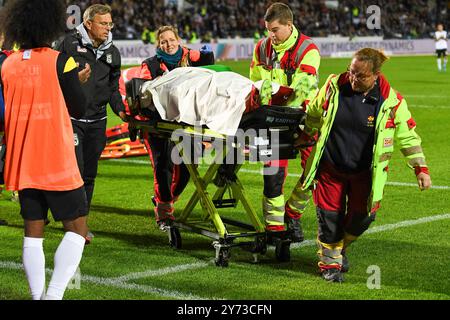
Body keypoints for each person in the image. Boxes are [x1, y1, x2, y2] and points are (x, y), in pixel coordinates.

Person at [293, 48, 432, 282]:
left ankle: (338, 250)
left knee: (362, 218)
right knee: (329, 218)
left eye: (361, 76)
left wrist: (421, 168)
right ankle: (330, 266)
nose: (353, 79)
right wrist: (306, 132)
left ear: (376, 75)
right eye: (351, 72)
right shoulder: (333, 86)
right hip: (331, 168)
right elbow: (314, 111)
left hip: (365, 174)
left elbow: (408, 137)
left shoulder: (392, 102)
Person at [0, 0, 88, 299]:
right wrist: (77, 81)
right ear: (50, 22)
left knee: (32, 234)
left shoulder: (8, 64)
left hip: (23, 161)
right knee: (77, 229)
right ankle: (53, 296)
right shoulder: (61, 60)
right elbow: (80, 106)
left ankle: (38, 296)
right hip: (57, 158)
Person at [249, 2, 320, 238]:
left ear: (289, 25)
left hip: (305, 118)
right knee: (273, 175)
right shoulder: (261, 48)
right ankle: (275, 228)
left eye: (275, 30)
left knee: (314, 172)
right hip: (273, 120)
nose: (271, 35)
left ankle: (293, 213)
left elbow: (302, 92)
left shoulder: (307, 50)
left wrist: (288, 120)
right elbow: (255, 84)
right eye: (268, 30)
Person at [57, 4, 127, 240]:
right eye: (103, 23)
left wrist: (121, 110)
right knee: (74, 172)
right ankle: (73, 225)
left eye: (110, 24)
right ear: (88, 24)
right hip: (72, 118)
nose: (108, 28)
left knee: (89, 174)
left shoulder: (113, 53)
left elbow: (113, 89)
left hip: (98, 121)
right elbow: (54, 79)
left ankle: (81, 224)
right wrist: (73, 81)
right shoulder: (68, 44)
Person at [137, 25, 214, 228]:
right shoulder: (150, 65)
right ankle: (164, 213)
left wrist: (203, 54)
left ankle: (166, 199)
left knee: (188, 169)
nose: (168, 44)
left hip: (188, 123)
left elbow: (211, 63)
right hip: (157, 125)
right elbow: (144, 92)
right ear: (158, 44)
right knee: (163, 167)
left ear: (178, 40)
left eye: (171, 40)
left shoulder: (190, 57)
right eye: (164, 41)